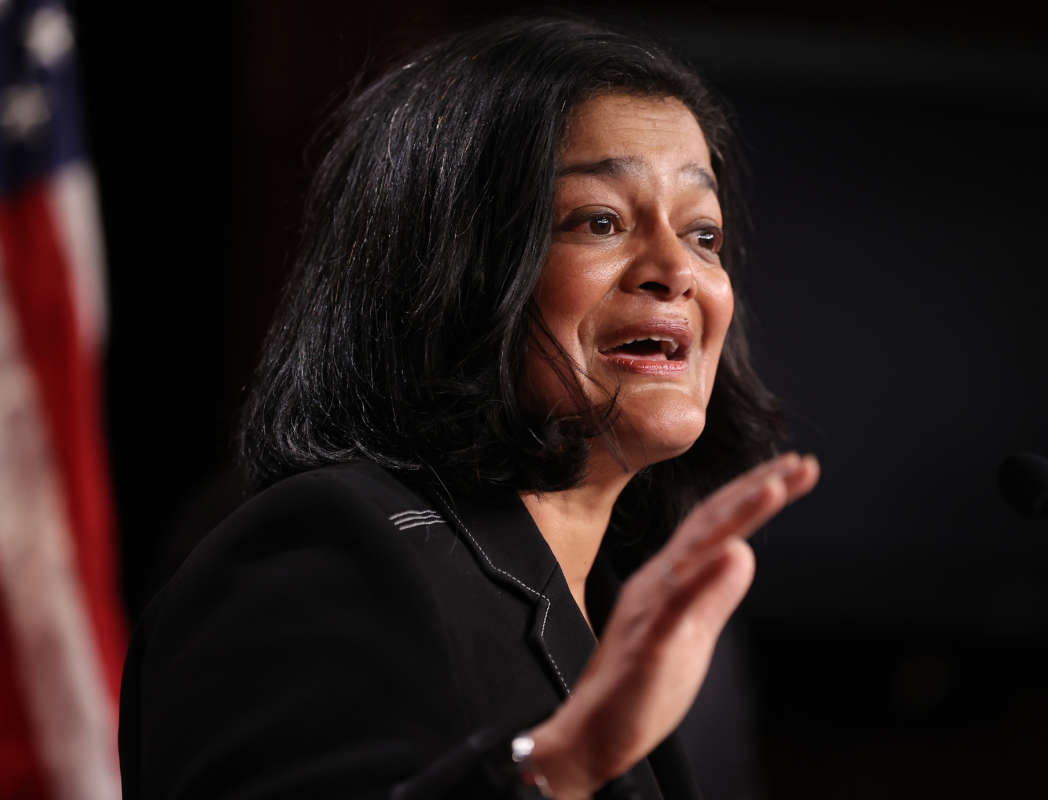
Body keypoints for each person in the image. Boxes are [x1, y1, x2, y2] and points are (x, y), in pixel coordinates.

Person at [118, 16, 819, 800]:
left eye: (703, 232)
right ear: (450, 268)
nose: (676, 271)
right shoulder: (327, 549)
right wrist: (564, 767)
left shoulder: (643, 614)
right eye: (599, 221)